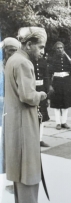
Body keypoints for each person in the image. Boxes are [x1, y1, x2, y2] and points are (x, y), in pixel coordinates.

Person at [4, 27, 50, 203]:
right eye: (40, 47)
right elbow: (27, 96)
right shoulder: (24, 62)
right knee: (28, 164)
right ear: (29, 44)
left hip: (15, 119)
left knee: (19, 163)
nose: (42, 51)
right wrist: (41, 94)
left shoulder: (12, 60)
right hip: (25, 119)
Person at [0, 37, 21, 174]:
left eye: (16, 51)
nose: (13, 54)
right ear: (4, 51)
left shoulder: (19, 66)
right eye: (10, 51)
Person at [49, 41, 71, 130]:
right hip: (56, 81)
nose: (60, 50)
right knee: (57, 103)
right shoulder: (52, 59)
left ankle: (64, 122)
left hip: (66, 81)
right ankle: (58, 123)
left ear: (63, 49)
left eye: (61, 48)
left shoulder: (67, 58)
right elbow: (49, 73)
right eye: (58, 48)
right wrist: (50, 85)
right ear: (55, 49)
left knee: (66, 102)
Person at [34, 55, 50, 147]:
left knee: (42, 115)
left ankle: (39, 139)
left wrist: (46, 91)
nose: (40, 52)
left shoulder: (43, 61)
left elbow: (46, 77)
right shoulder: (28, 60)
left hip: (42, 89)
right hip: (32, 89)